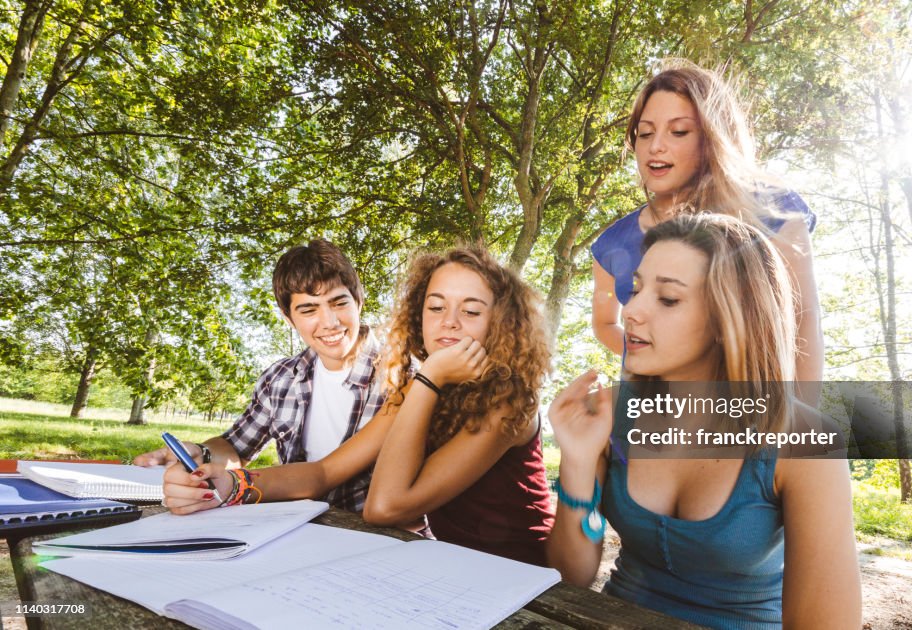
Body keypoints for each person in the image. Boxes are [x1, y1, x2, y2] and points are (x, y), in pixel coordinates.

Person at [549, 214, 860, 629]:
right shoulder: (613, 412)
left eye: (668, 299)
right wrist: (578, 462)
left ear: (727, 319)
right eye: (638, 289)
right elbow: (573, 575)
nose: (632, 311)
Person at [162, 247, 555, 567]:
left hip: (514, 577)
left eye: (470, 311)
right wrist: (236, 483)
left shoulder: (506, 400)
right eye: (436, 308)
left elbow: (385, 507)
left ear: (501, 322)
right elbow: (323, 472)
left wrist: (428, 378)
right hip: (443, 564)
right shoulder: (423, 386)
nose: (449, 323)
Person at [590, 60, 823, 391]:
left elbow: (804, 320)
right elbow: (604, 323)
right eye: (645, 133)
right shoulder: (612, 244)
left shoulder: (774, 209)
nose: (655, 146)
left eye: (679, 131)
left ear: (713, 136)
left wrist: (797, 422)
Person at [135, 239, 386, 512]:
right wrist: (202, 453)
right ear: (289, 318)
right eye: (309, 309)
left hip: (377, 536)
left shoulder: (399, 377)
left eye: (338, 303)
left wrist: (235, 485)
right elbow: (235, 449)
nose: (329, 322)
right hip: (296, 528)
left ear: (358, 300)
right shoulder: (280, 378)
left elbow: (322, 475)